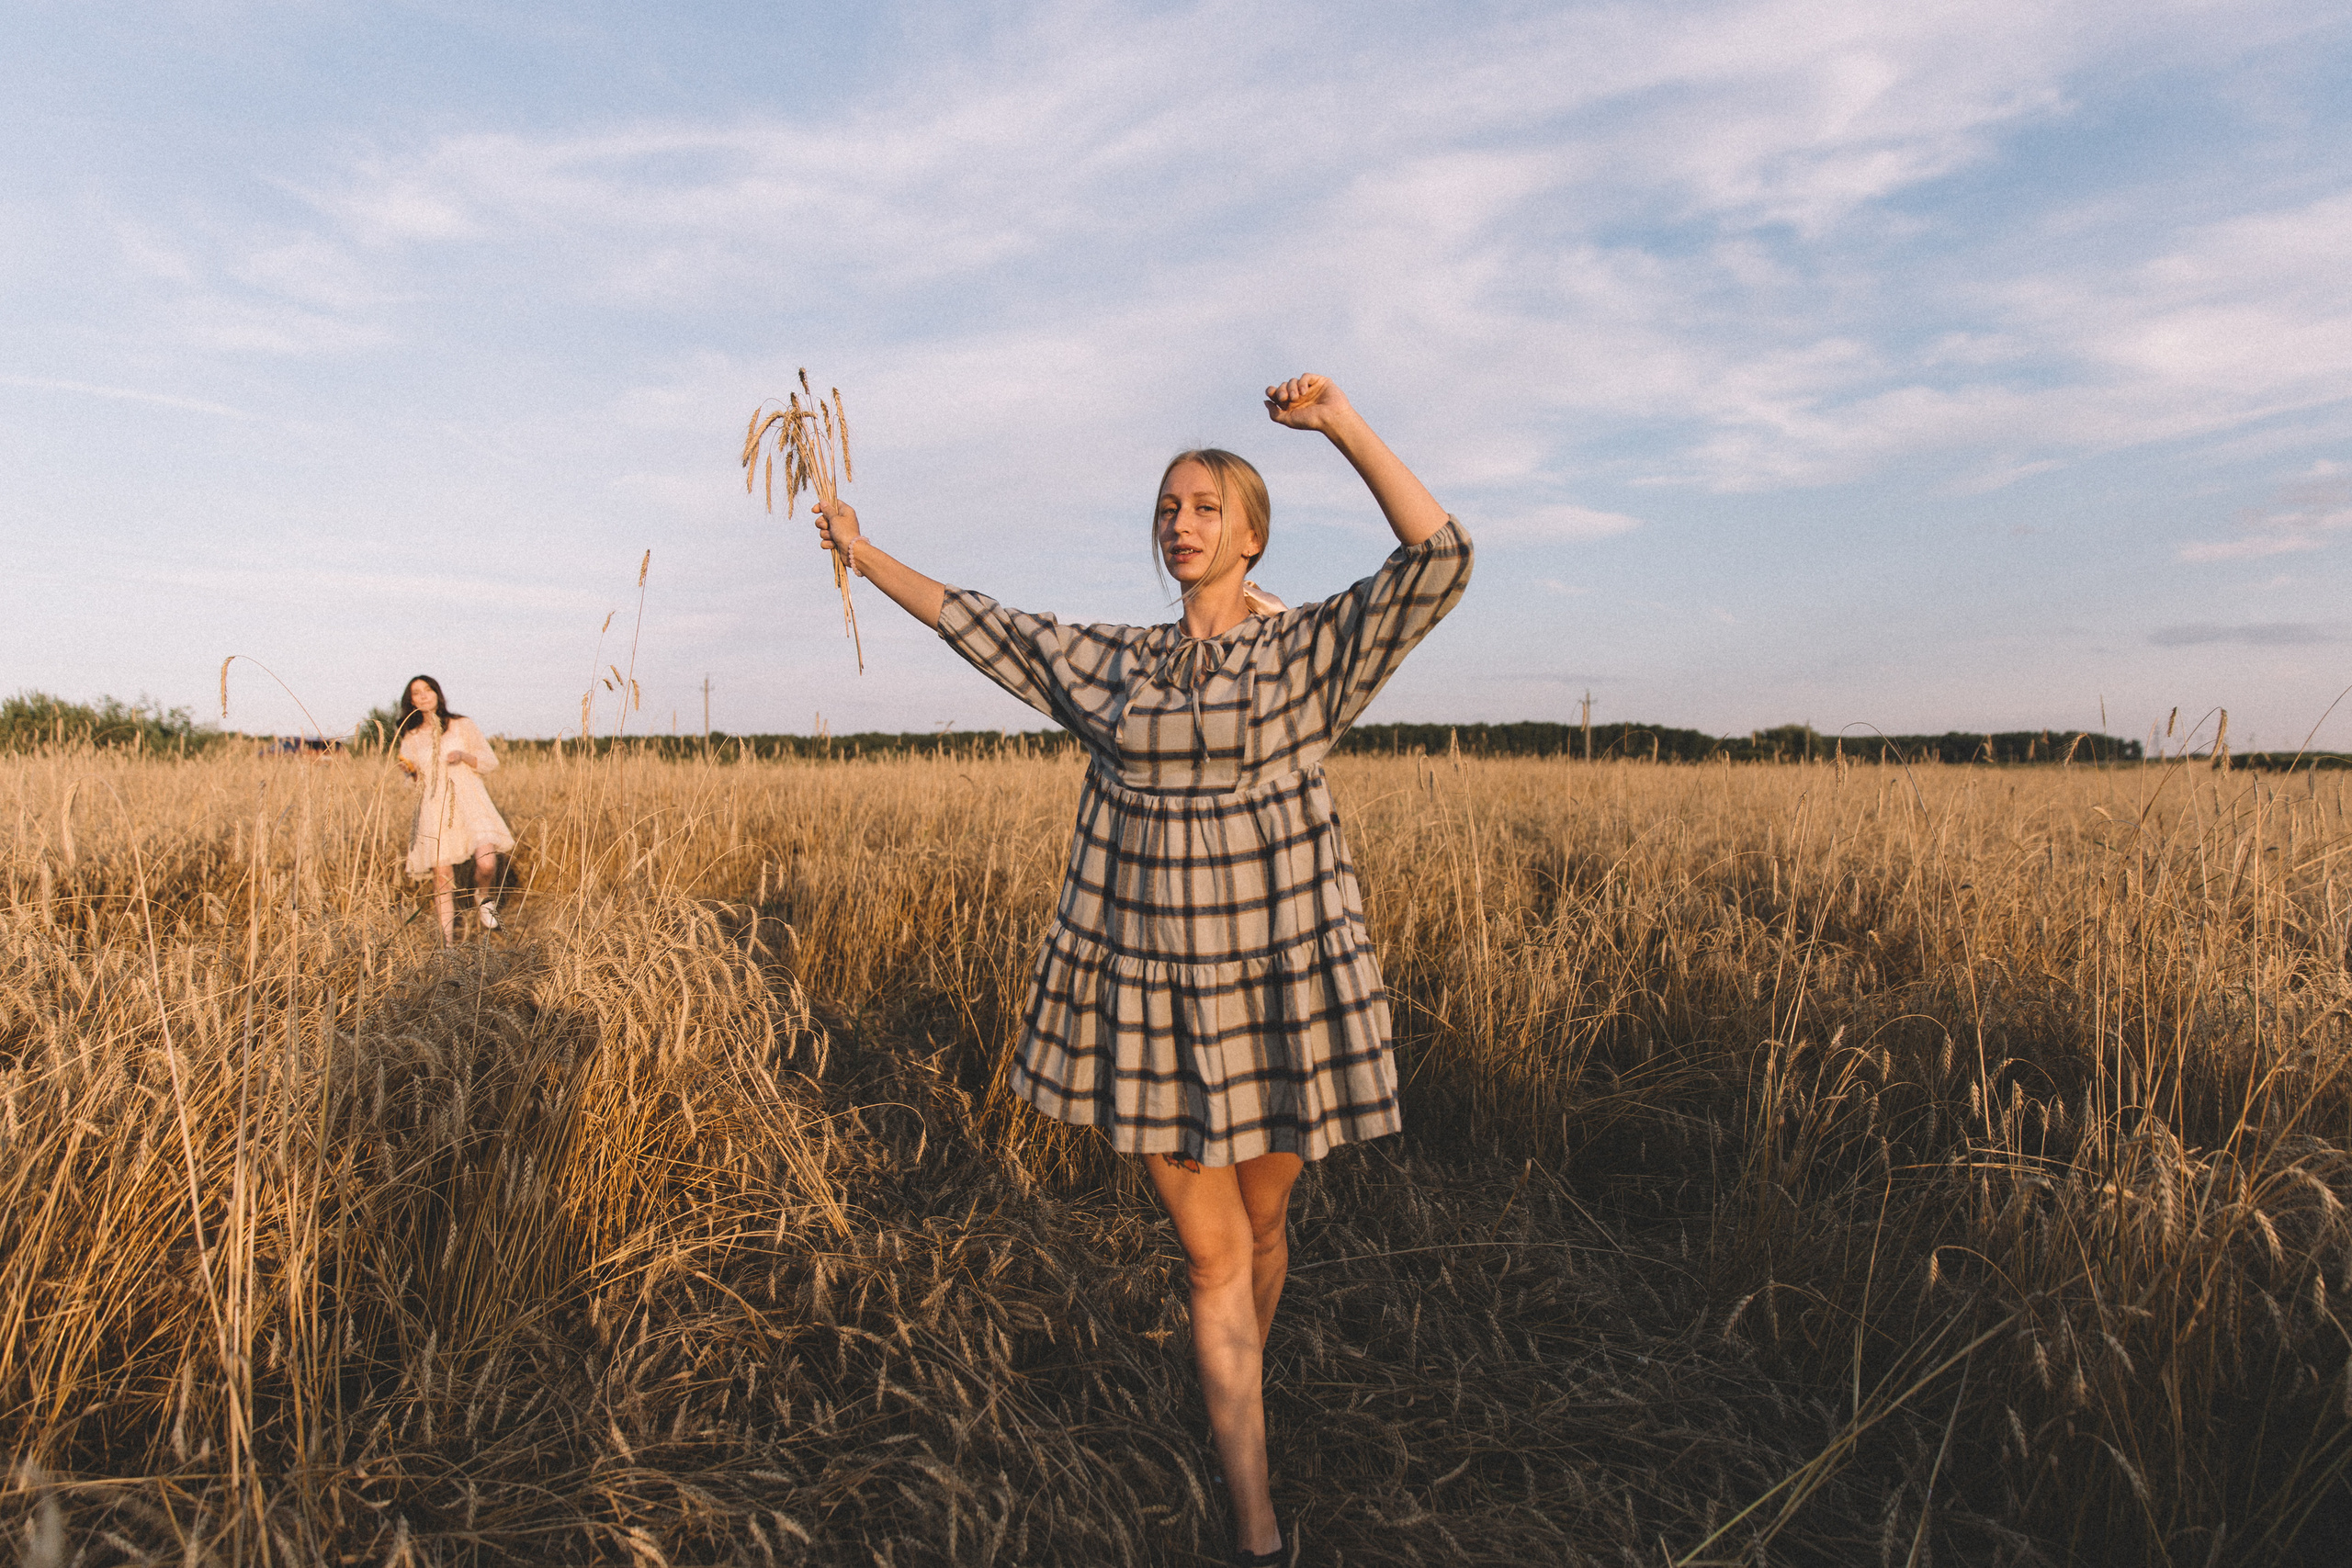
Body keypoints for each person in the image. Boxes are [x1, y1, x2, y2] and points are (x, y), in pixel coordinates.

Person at [811, 374, 1470, 1565]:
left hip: (1276, 998)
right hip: (1156, 1006)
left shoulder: (1304, 651)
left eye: (1206, 505)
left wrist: (1341, 425)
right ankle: (1256, 1518)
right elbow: (983, 624)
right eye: (1169, 505)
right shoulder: (1115, 665)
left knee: (1264, 1229)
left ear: (1252, 532)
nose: (1181, 520)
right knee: (1213, 1255)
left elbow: (1440, 558)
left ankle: (1240, 1392)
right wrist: (860, 551)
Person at [393, 675, 515, 943]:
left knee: (486, 861)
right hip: (434, 807)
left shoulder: (462, 725)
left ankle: (483, 897)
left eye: (428, 690)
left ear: (438, 693)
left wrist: (462, 756)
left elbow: (488, 761)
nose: (424, 695)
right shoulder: (411, 737)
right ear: (411, 701)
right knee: (442, 875)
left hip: (471, 801)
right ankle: (448, 942)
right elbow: (410, 778)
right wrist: (408, 772)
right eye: (417, 693)